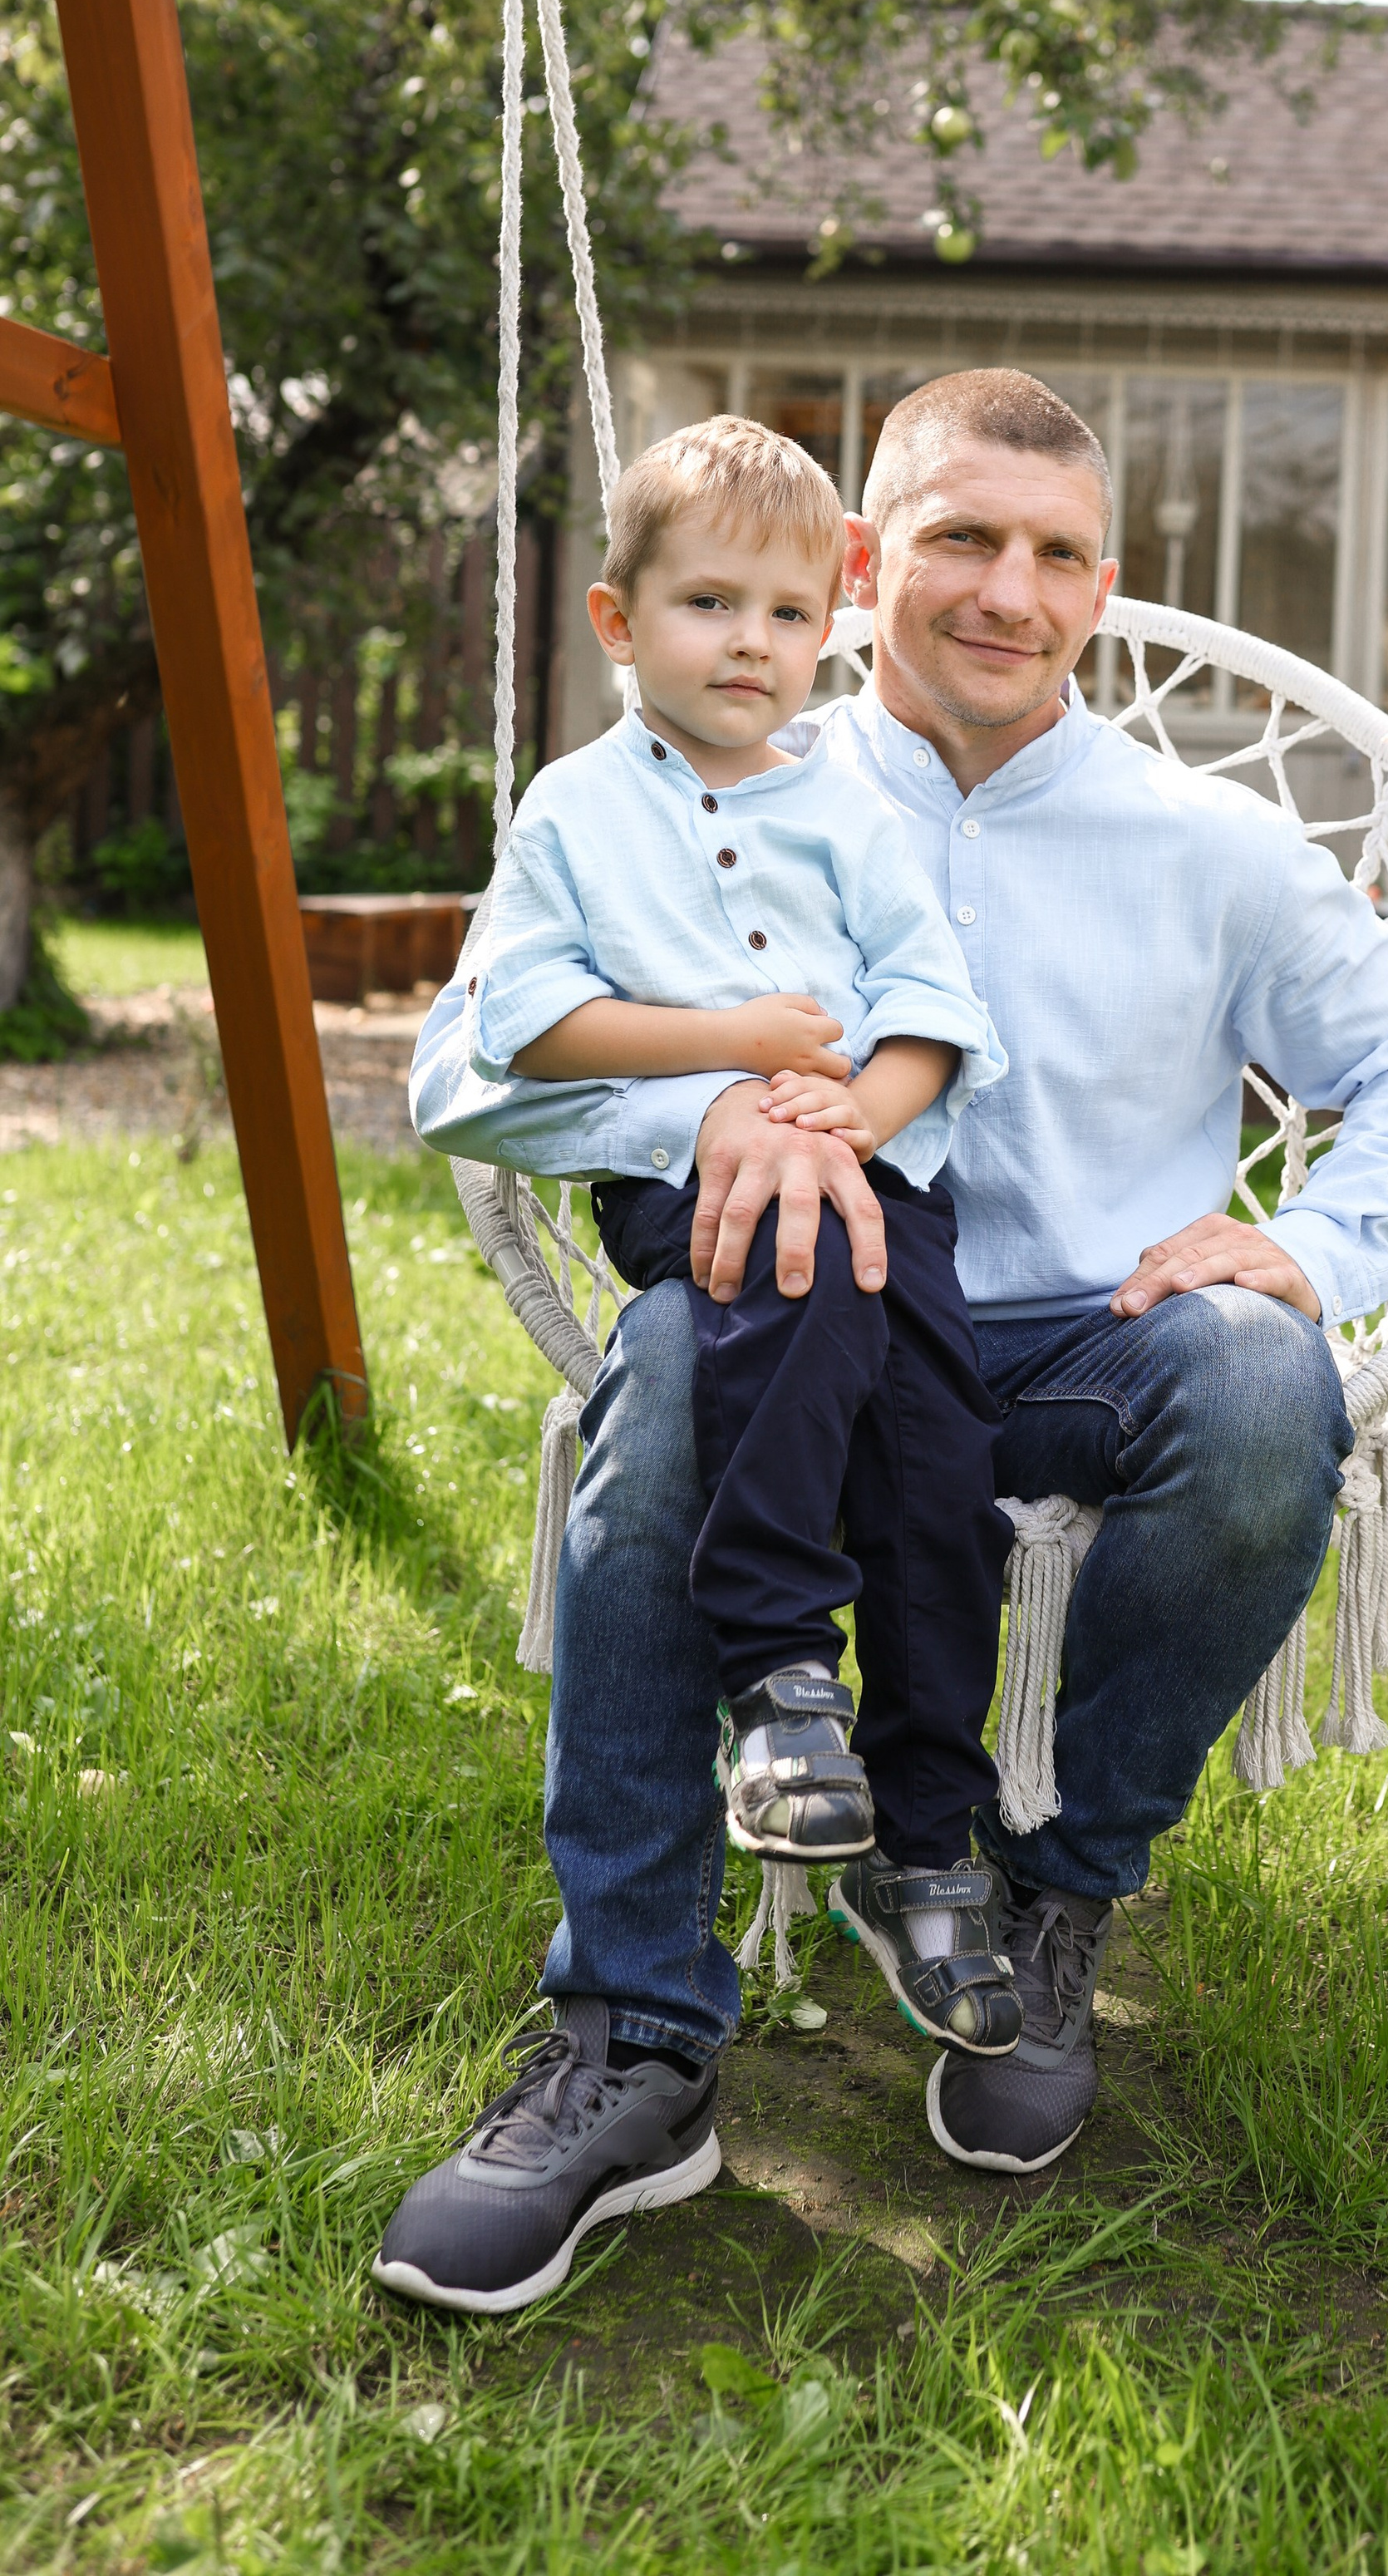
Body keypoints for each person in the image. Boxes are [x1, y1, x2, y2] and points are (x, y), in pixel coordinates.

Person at [381, 367, 1388, 2312]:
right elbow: (458, 1062)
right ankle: (635, 2040)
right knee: (670, 1371)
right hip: (790, 1329)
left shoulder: (1201, 843)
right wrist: (706, 1112)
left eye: (1056, 554)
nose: (1009, 590)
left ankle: (1043, 1894)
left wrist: (1317, 1245)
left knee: (1263, 1382)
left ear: (1101, 588)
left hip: (1086, 1342)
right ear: (859, 561)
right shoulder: (710, 782)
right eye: (961, 538)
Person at [372, 414, 1021, 2315]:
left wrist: (846, 1118)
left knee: (941, 1473)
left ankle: (923, 1833)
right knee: (783, 1308)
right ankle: (772, 1675)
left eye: (788, 613)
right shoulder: (577, 810)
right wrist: (737, 1052)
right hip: (702, 1204)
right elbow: (519, 1026)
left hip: (879, 1187)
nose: (751, 642)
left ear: (832, 627)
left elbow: (931, 1012)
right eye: (708, 604)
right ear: (617, 619)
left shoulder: (854, 809)